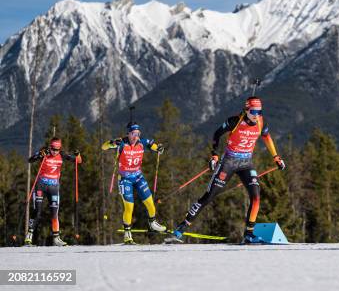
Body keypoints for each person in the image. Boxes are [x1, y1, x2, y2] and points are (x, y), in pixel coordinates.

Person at [166, 96, 286, 244]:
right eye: (254, 111)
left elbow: (267, 137)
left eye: (259, 111)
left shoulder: (261, 122)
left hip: (246, 163)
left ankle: (248, 234)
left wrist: (276, 157)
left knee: (256, 197)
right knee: (209, 196)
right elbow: (217, 134)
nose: (257, 115)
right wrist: (214, 155)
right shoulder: (234, 121)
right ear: (247, 110)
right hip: (229, 162)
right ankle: (180, 229)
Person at [101, 122, 166, 244]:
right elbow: (103, 147)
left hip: (138, 177)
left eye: (138, 133)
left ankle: (152, 223)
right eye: (133, 133)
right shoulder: (122, 143)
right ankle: (127, 235)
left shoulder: (142, 142)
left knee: (150, 202)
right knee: (129, 207)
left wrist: (158, 148)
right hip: (125, 179)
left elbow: (153, 145)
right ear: (128, 134)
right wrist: (112, 143)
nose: (136, 136)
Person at [25, 137, 82, 247]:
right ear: (50, 147)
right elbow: (30, 160)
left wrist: (78, 154)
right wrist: (40, 155)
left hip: (54, 187)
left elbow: (78, 161)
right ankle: (29, 237)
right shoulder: (44, 151)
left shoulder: (62, 154)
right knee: (37, 210)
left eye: (57, 149)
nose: (55, 152)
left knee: (54, 213)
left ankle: (56, 238)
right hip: (41, 185)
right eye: (53, 149)